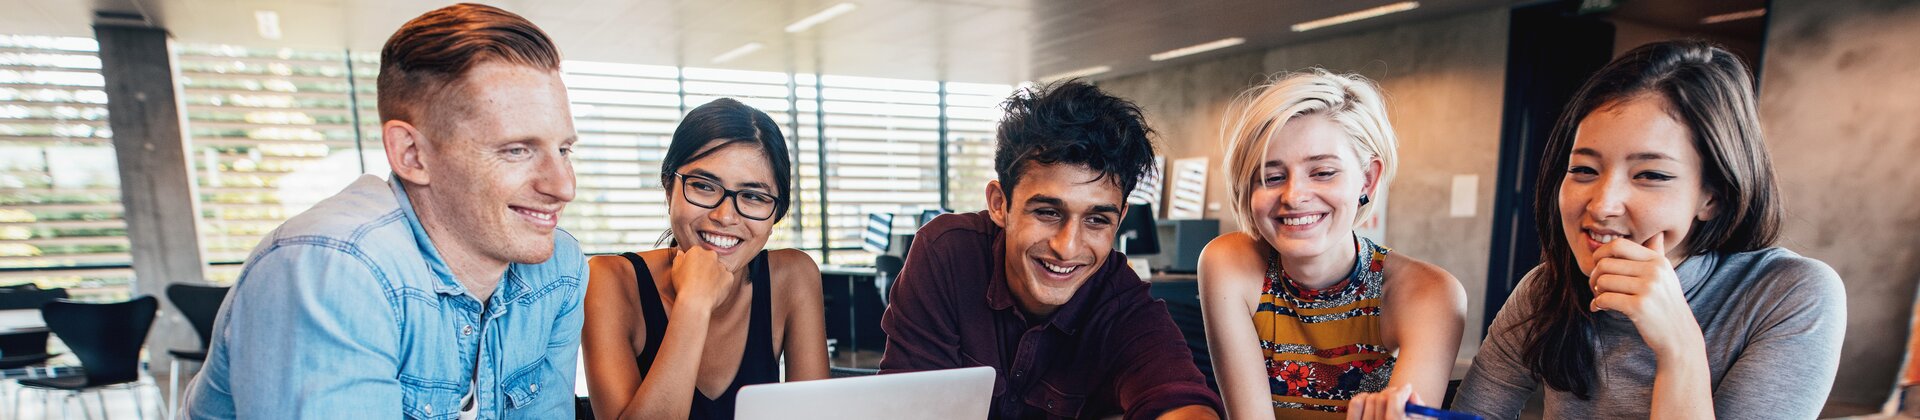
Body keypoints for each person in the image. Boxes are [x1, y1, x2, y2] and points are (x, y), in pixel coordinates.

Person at [182, 3, 584, 418]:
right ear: (411, 154)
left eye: (564, 149)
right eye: (516, 150)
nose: (563, 186)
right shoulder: (335, 268)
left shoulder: (559, 268)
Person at [1442, 40, 1846, 419]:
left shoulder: (1791, 294)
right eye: (1584, 170)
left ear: (1713, 196)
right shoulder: (1546, 289)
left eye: (1650, 174)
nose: (1602, 205)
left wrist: (1678, 346)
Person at [879, 80, 1222, 420]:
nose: (1066, 247)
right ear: (1000, 204)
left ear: (1120, 220)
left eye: (1097, 219)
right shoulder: (947, 254)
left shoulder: (1120, 299)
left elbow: (1179, 398)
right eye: (1047, 212)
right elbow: (906, 407)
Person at [1196, 70, 1467, 420]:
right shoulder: (1227, 264)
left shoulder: (1430, 293)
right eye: (1272, 177)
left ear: (1368, 178)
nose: (1294, 196)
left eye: (1323, 172)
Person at [581, 98, 828, 420]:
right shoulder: (609, 279)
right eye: (703, 186)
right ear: (669, 189)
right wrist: (694, 304)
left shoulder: (792, 276)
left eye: (753, 196)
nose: (725, 216)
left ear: (776, 214)